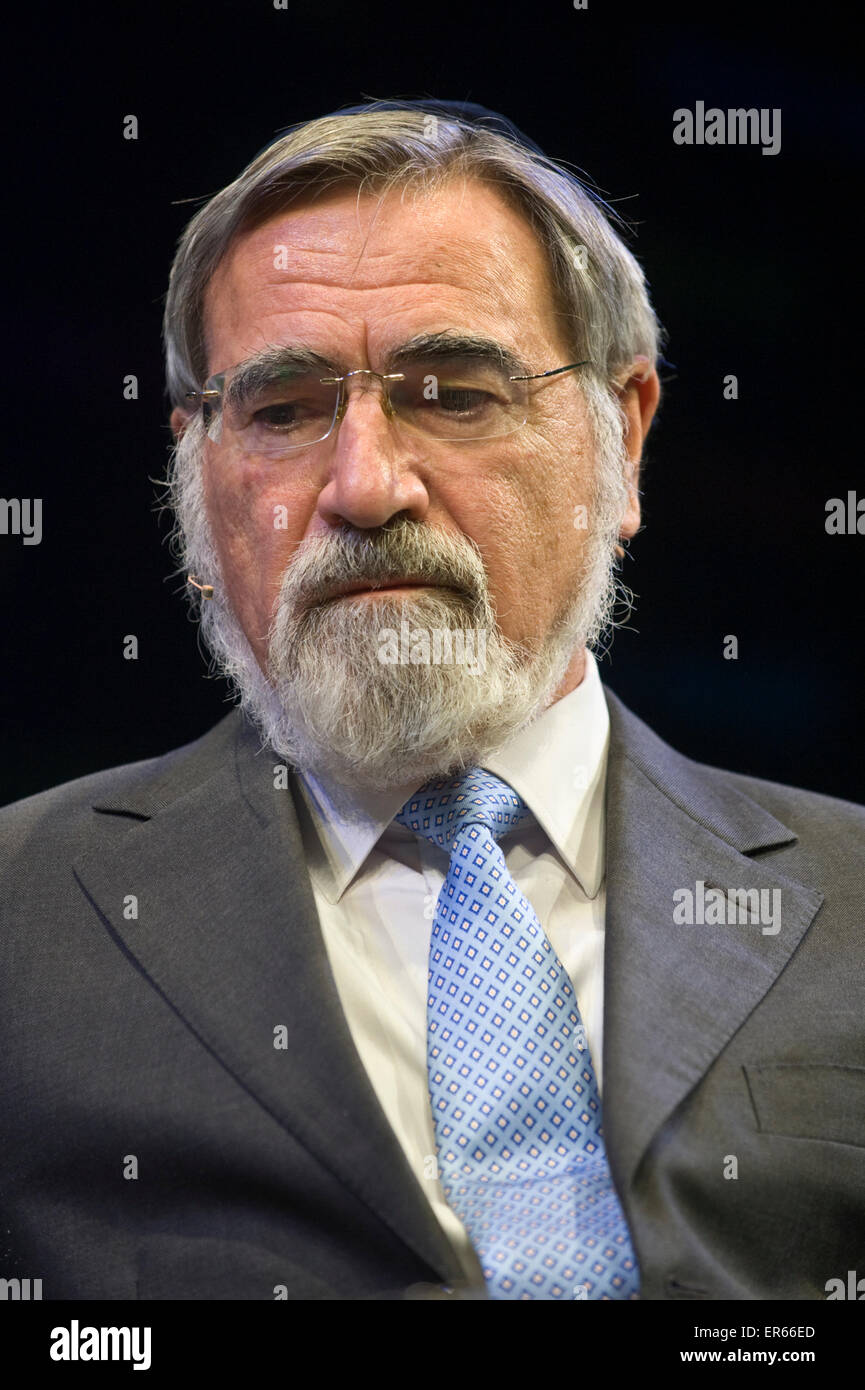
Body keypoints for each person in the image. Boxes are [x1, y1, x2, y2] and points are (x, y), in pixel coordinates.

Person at [1, 99, 862, 1303]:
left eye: (451, 392)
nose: (362, 486)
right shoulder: (20, 914)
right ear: (195, 468)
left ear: (623, 434)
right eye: (285, 410)